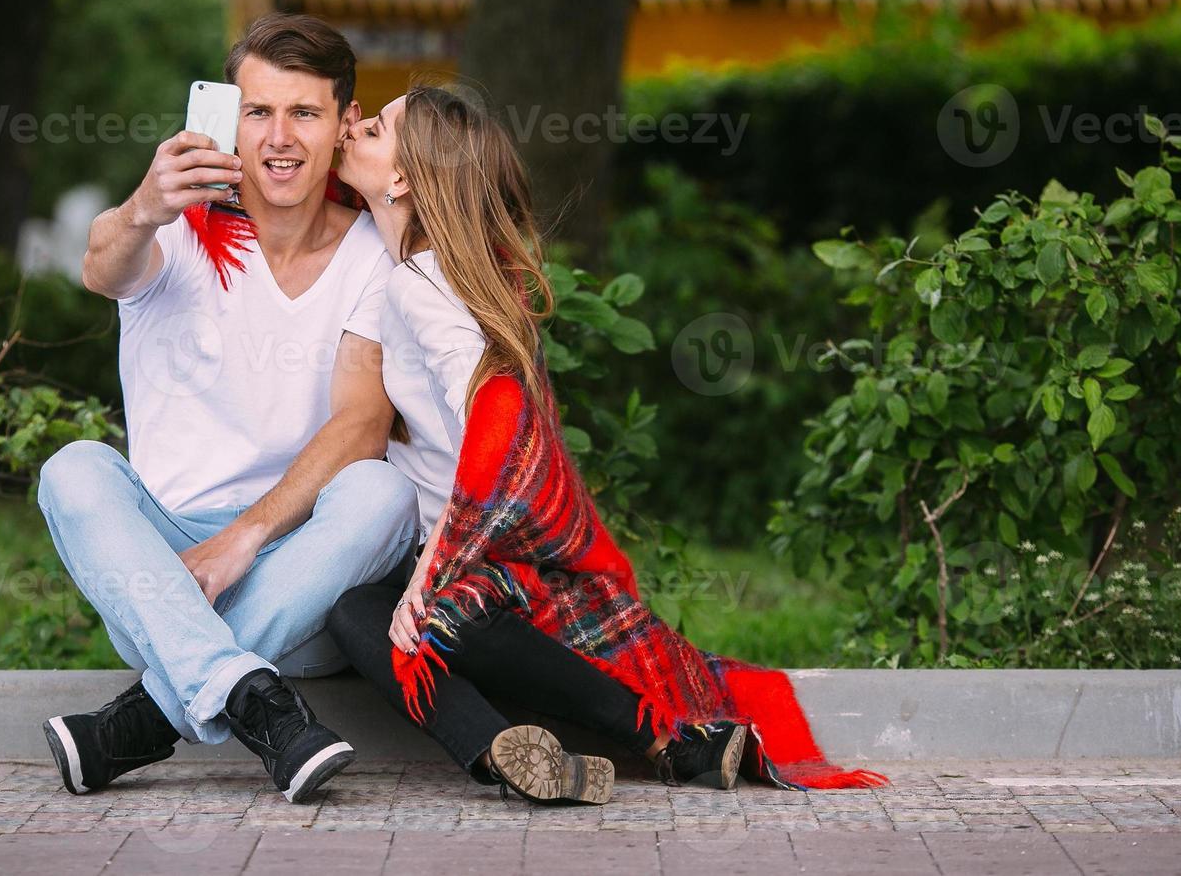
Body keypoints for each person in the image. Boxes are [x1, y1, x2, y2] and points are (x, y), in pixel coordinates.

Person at [326, 87, 891, 805]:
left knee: (434, 619)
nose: (354, 133)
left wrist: (433, 565)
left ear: (404, 178)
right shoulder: (440, 268)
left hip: (482, 552)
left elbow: (492, 431)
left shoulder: (417, 283)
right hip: (479, 552)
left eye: (371, 128)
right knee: (356, 614)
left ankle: (650, 738)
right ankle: (512, 751)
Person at [35, 13, 419, 804]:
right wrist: (143, 207)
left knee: (383, 492)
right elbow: (101, 268)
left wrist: (246, 537)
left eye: (304, 113)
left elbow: (360, 425)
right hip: (167, 579)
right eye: (259, 112)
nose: (279, 138)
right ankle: (248, 698)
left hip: (297, 575)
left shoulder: (372, 255)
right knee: (74, 469)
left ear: (346, 123)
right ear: (225, 119)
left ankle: (145, 719)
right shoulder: (174, 227)